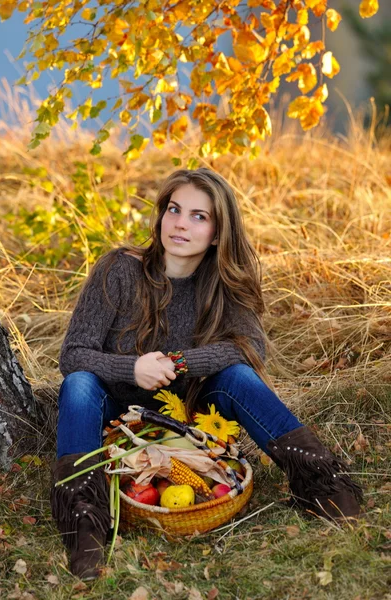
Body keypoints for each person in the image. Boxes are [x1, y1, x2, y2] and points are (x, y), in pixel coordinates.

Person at [52, 167, 362, 580]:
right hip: (112, 409)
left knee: (237, 374)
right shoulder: (119, 270)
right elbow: (73, 354)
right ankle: (85, 524)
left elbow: (249, 346)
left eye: (199, 216)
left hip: (191, 411)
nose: (181, 223)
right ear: (161, 215)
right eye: (175, 210)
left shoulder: (224, 280)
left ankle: (323, 482)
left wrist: (176, 364)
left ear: (217, 233)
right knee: (77, 384)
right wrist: (134, 368)